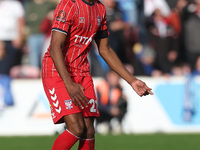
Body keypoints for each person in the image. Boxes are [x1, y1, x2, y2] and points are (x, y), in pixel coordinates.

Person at [41, 0, 153, 150]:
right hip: (57, 71)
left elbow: (105, 50)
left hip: (82, 71)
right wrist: (69, 84)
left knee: (89, 131)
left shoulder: (100, 9)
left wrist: (132, 80)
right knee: (76, 128)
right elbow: (55, 48)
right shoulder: (68, 5)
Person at [96, 70, 127, 134]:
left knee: (124, 104)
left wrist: (123, 100)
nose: (115, 80)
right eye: (113, 77)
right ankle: (103, 124)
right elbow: (98, 104)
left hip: (114, 113)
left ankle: (117, 124)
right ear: (108, 76)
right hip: (102, 113)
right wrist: (109, 109)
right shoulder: (101, 87)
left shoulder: (119, 88)